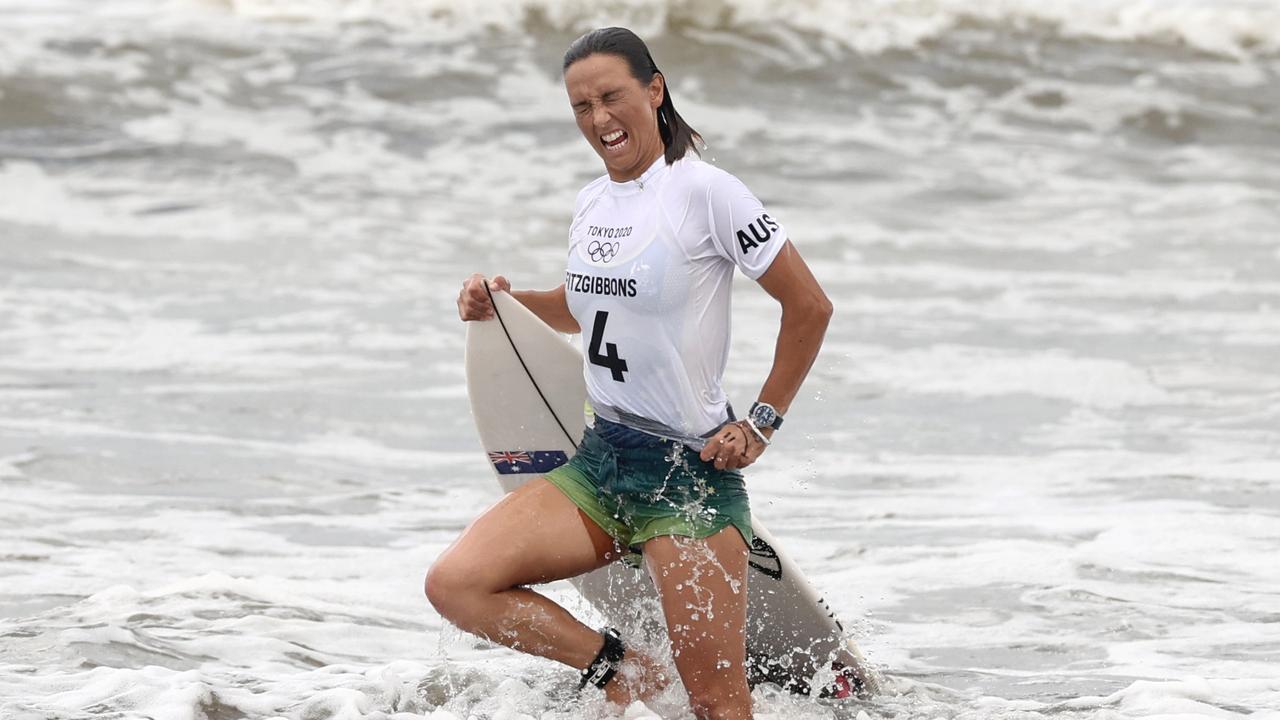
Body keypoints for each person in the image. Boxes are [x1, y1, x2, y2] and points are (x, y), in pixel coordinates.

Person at [426, 26, 833, 720]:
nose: (599, 120)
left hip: (687, 482)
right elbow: (586, 307)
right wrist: (504, 305)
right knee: (457, 584)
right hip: (601, 463)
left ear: (655, 88)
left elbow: (809, 305)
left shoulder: (709, 193)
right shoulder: (593, 202)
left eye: (611, 97)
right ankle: (621, 668)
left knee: (717, 707)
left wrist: (760, 423)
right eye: (581, 107)